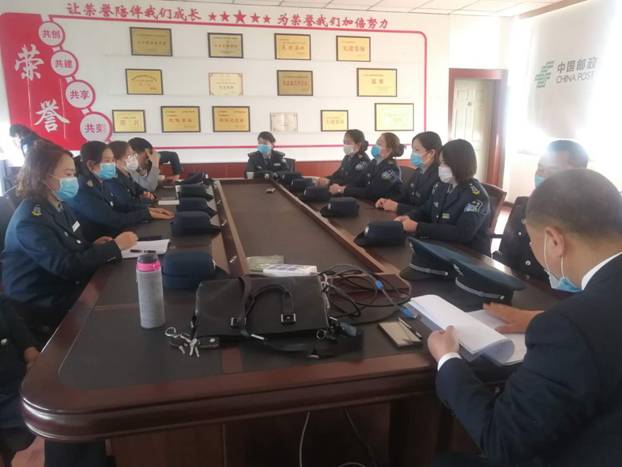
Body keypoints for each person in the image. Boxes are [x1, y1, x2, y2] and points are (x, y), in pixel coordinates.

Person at [428, 169, 622, 467]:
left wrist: (448, 359)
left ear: (554, 240)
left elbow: (502, 441)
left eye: (532, 240)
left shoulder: (569, 328)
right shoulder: (579, 319)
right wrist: (543, 318)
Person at [1, 140, 137, 338]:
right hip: (43, 300)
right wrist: (114, 246)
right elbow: (65, 266)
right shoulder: (30, 220)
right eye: (67, 175)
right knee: (119, 303)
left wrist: (93, 246)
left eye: (73, 174)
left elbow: (73, 243)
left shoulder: (58, 203)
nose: (73, 180)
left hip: (65, 284)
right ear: (43, 177)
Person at [494, 140, 589, 284]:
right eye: (540, 168)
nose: (543, 176)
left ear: (578, 175)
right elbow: (505, 256)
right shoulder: (524, 208)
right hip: (515, 286)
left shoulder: (588, 221)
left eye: (553, 170)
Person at [396, 139, 491, 255]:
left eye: (444, 163)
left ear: (459, 164)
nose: (440, 167)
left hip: (469, 255)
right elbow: (425, 210)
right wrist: (408, 217)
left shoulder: (476, 196)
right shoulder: (441, 185)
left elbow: (462, 233)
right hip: (441, 246)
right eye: (440, 163)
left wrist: (418, 227)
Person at [65, 141, 172, 242]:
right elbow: (113, 219)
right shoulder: (83, 190)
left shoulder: (100, 181)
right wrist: (146, 214)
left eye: (113, 160)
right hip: (102, 242)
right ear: (91, 165)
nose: (113, 164)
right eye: (108, 161)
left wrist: (148, 210)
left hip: (113, 237)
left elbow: (119, 206)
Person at [0, 298, 38, 466]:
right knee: (65, 415)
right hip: (4, 398)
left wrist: (30, 349)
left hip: (20, 378)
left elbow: (12, 319)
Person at [376, 131, 442, 215]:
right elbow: (405, 196)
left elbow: (428, 211)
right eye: (413, 150)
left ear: (431, 153)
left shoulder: (439, 177)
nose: (413, 154)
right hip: (407, 216)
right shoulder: (419, 171)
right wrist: (387, 201)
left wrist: (398, 207)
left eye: (417, 150)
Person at [329, 132, 403, 200]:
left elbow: (373, 193)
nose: (375, 146)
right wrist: (342, 188)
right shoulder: (374, 162)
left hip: (383, 206)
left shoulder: (391, 170)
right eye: (376, 142)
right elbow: (359, 182)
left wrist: (343, 190)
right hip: (369, 201)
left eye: (379, 144)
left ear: (388, 150)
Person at [106, 140, 155, 210]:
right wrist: (147, 200)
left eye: (134, 154)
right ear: (116, 160)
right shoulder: (113, 179)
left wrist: (146, 193)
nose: (134, 158)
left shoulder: (127, 174)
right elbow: (127, 204)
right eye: (130, 155)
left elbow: (138, 189)